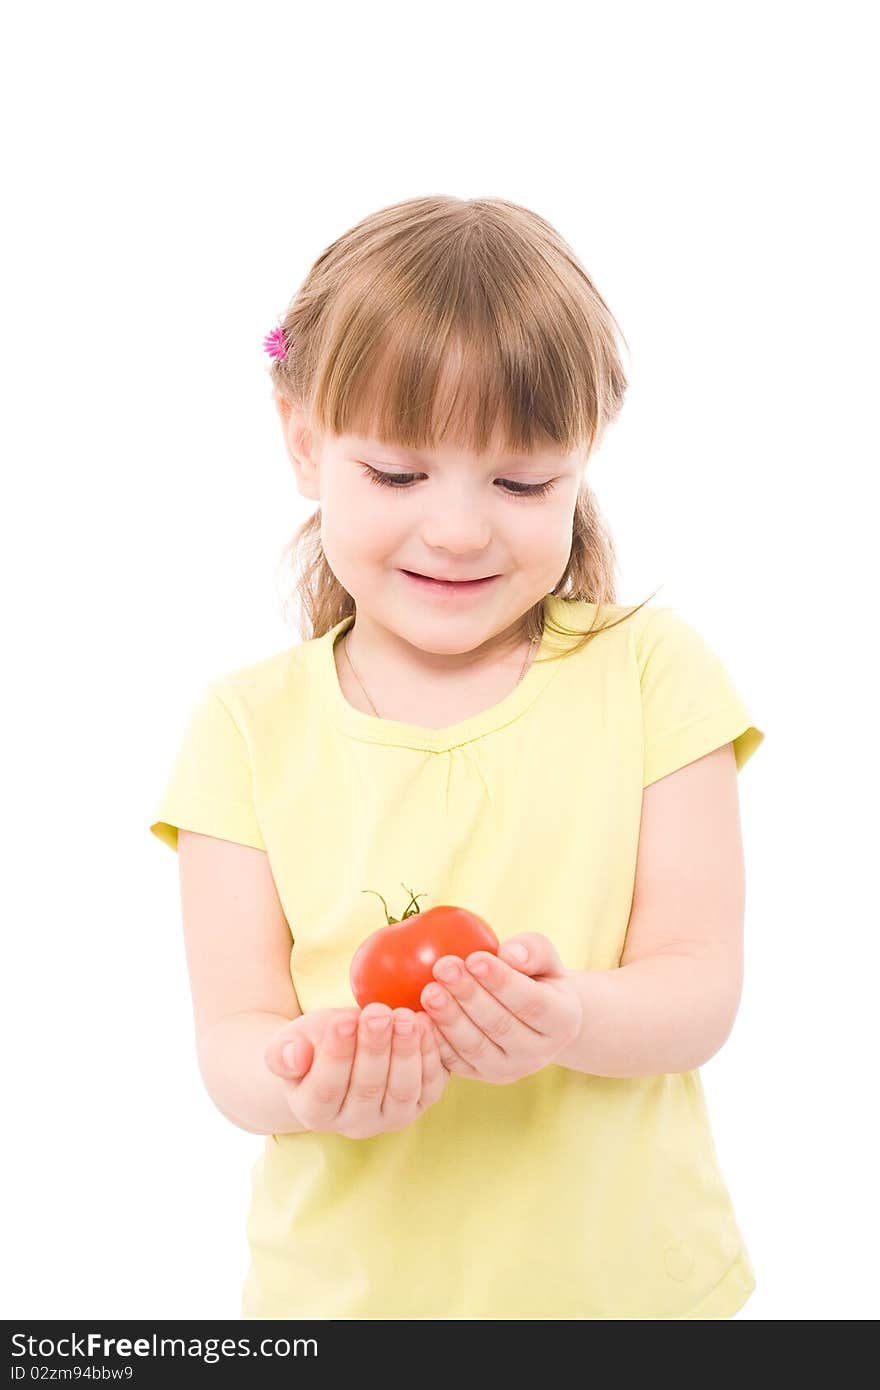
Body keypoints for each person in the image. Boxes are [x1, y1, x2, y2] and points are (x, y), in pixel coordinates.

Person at [149, 194, 765, 1320]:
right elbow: (233, 1041)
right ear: (302, 440)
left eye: (521, 483)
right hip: (340, 1306)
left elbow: (699, 981)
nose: (459, 529)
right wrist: (314, 1074)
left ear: (583, 459)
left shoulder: (651, 673)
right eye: (397, 475)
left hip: (633, 1299)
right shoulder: (242, 727)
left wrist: (567, 1017)